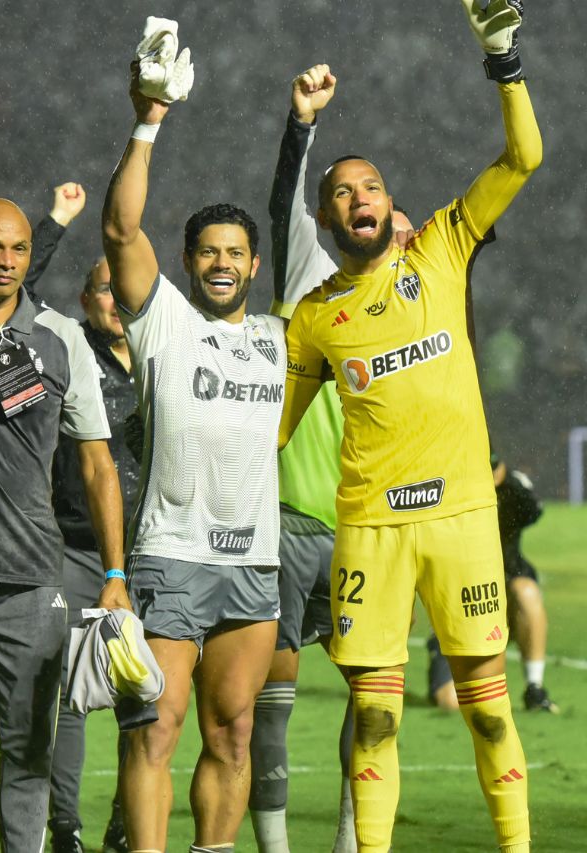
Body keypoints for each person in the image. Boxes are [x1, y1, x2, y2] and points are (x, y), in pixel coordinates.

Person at [279, 2, 542, 851]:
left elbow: (523, 156)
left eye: (371, 186)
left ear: (393, 206)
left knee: (491, 714)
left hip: (463, 518)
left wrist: (503, 63)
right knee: (378, 719)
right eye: (341, 192)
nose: (358, 198)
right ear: (326, 222)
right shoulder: (315, 319)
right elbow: (272, 429)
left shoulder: (440, 249)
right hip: (373, 533)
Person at [101, 41, 286, 853]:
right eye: (207, 250)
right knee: (155, 723)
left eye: (234, 252)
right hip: (170, 555)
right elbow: (119, 225)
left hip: (254, 564)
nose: (220, 262)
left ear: (253, 264)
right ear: (187, 261)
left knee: (235, 730)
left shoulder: (282, 338)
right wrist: (149, 121)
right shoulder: (163, 320)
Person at [249, 67, 416, 853]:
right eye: (348, 198)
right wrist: (300, 126)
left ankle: (355, 842)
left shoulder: (416, 315)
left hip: (371, 531)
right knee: (271, 696)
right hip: (285, 525)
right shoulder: (308, 280)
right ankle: (278, 847)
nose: (373, 215)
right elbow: (287, 203)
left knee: (372, 696)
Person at [0, 187, 130, 852]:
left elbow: (97, 465)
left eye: (19, 248)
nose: (5, 260)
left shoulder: (61, 341)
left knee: (29, 755)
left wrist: (113, 570)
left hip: (34, 581)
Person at [20, 185, 137, 853]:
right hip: (70, 547)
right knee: (65, 694)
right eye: (101, 289)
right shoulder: (64, 347)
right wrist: (55, 222)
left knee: (139, 695)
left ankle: (128, 825)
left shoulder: (162, 358)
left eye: (123, 288)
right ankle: (64, 828)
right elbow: (12, 295)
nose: (114, 300)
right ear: (86, 299)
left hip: (148, 552)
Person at [428, 455, 559, 714]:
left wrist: (505, 479)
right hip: (460, 606)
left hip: (504, 592)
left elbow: (533, 511)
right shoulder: (455, 491)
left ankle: (535, 687)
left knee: (527, 591)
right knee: (450, 702)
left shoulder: (511, 490)